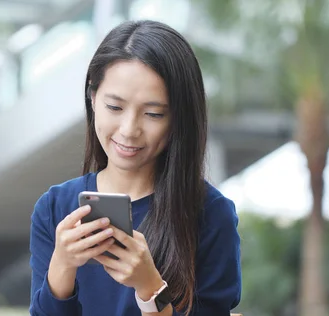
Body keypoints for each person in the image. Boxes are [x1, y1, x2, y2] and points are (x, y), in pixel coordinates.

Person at [29, 20, 241, 316]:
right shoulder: (54, 209)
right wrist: (62, 265)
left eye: (153, 114)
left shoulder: (210, 214)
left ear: (179, 118)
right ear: (92, 98)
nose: (129, 130)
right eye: (114, 107)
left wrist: (150, 288)